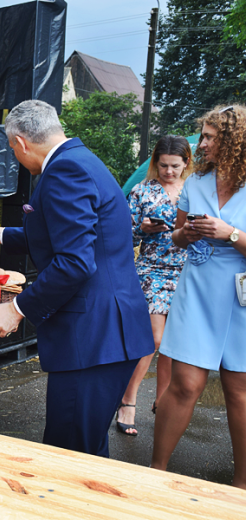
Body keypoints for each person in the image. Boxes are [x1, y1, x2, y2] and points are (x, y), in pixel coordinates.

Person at [0, 100, 154, 457]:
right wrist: (2, 233)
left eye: (12, 148)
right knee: (85, 447)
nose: (15, 156)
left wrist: (17, 309)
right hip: (108, 331)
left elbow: (74, 262)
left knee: (69, 454)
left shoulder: (63, 171)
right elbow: (70, 234)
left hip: (93, 337)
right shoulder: (80, 158)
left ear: (22, 143)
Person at [151, 105, 246, 489]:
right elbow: (176, 236)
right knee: (184, 383)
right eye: (202, 135)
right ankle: (155, 471)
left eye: (209, 137)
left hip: (241, 297)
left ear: (234, 142)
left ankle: (241, 485)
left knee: (239, 391)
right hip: (198, 288)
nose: (201, 143)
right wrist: (184, 235)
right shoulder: (196, 182)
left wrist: (231, 233)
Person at [115, 136, 192, 436]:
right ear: (155, 162)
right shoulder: (141, 190)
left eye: (175, 166)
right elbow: (125, 236)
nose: (169, 172)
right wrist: (143, 229)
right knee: (155, 339)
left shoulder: (195, 190)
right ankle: (128, 399)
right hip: (152, 268)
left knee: (174, 343)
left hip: (188, 270)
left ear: (186, 163)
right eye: (163, 165)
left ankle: (163, 402)